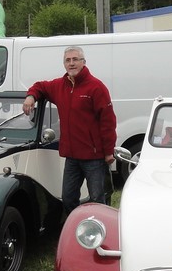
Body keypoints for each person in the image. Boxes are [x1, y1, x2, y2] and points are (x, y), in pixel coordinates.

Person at [22, 46, 117, 215]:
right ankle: (76, 231)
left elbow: (108, 122)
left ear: (83, 62)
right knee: (68, 198)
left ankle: (98, 233)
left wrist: (108, 152)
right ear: (64, 64)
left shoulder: (96, 87)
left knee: (97, 200)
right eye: (68, 60)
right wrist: (31, 96)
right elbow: (40, 86)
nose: (71, 63)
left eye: (75, 59)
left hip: (94, 157)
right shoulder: (59, 85)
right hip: (72, 157)